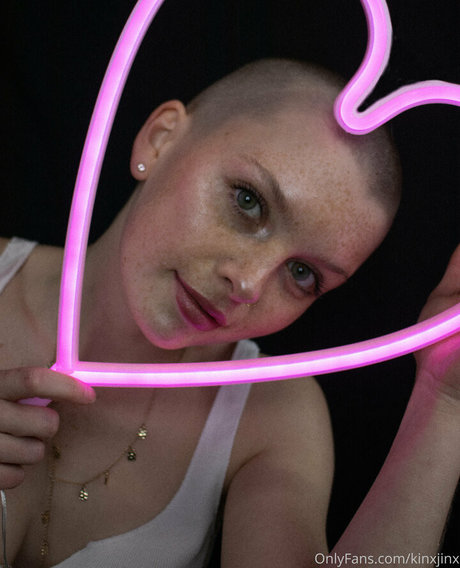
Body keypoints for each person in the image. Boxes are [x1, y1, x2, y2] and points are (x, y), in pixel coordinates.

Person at [0, 59, 458, 567]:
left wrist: (444, 403)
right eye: (248, 201)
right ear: (159, 139)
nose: (248, 283)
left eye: (302, 273)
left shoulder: (272, 415)